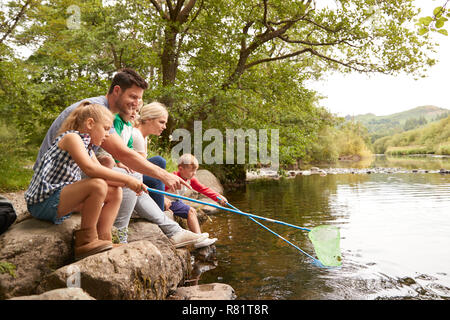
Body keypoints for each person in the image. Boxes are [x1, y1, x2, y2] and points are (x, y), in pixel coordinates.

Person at [24, 102, 146, 261]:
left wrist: (129, 183)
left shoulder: (88, 147)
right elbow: (90, 170)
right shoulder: (72, 138)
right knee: (97, 185)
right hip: (43, 202)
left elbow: (104, 174)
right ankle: (86, 241)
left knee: (115, 192)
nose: (108, 134)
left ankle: (104, 239)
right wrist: (127, 179)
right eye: (106, 128)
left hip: (60, 199)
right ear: (90, 124)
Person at [34, 68, 189, 193]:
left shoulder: (105, 111)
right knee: (127, 177)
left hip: (70, 171)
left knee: (128, 176)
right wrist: (163, 175)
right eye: (133, 97)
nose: (137, 103)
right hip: (52, 177)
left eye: (139, 98)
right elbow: (121, 153)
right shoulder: (96, 110)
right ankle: (120, 230)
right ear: (117, 90)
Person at [106, 101, 208, 248]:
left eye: (137, 110)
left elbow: (124, 152)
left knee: (138, 182)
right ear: (148, 119)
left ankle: (175, 231)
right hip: (113, 172)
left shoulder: (128, 128)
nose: (135, 114)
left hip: (124, 174)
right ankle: (122, 236)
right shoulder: (125, 128)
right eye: (161, 122)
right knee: (148, 169)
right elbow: (118, 155)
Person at [165, 154, 228, 248]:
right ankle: (198, 240)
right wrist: (163, 199)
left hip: (175, 200)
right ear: (180, 168)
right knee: (191, 211)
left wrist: (218, 197)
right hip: (167, 202)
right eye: (191, 170)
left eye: (195, 170)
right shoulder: (172, 177)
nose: (194, 173)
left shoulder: (191, 180)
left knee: (192, 211)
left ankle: (198, 237)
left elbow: (204, 189)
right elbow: (158, 188)